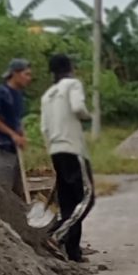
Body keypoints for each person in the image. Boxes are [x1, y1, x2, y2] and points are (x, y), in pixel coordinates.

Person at [40, 51, 95, 262]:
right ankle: (56, 235)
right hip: (73, 149)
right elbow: (79, 107)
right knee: (86, 199)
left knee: (68, 202)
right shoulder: (72, 85)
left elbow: (45, 128)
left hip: (56, 150)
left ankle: (73, 251)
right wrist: (88, 117)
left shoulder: (48, 95)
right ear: (70, 67)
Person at [0, 59, 34, 196]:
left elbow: (17, 120)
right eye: (26, 74)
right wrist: (12, 135)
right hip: (3, 147)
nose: (29, 79)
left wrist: (22, 135)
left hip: (15, 150)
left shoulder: (19, 96)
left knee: (19, 192)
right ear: (15, 74)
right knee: (3, 191)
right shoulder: (0, 92)